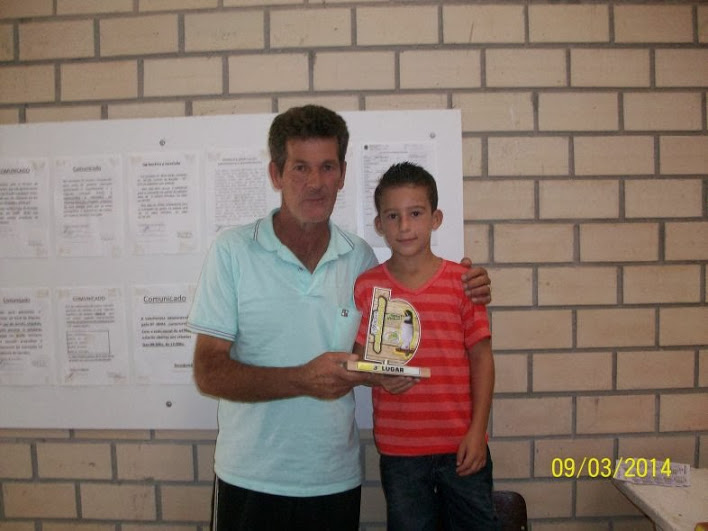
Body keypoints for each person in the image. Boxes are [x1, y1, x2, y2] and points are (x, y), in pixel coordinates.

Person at [186, 105, 492, 531]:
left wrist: (467, 282)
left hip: (334, 479)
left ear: (343, 174)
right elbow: (208, 373)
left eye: (327, 167)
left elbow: (387, 338)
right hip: (249, 477)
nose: (315, 182)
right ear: (275, 174)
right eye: (300, 168)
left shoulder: (361, 260)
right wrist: (300, 379)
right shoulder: (232, 251)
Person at [353, 162, 498, 531]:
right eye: (393, 216)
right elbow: (358, 361)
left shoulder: (463, 283)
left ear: (436, 219)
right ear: (379, 225)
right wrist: (378, 376)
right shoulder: (369, 287)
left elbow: (482, 359)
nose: (404, 226)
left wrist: (478, 431)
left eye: (415, 213)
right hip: (400, 451)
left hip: (462, 445)